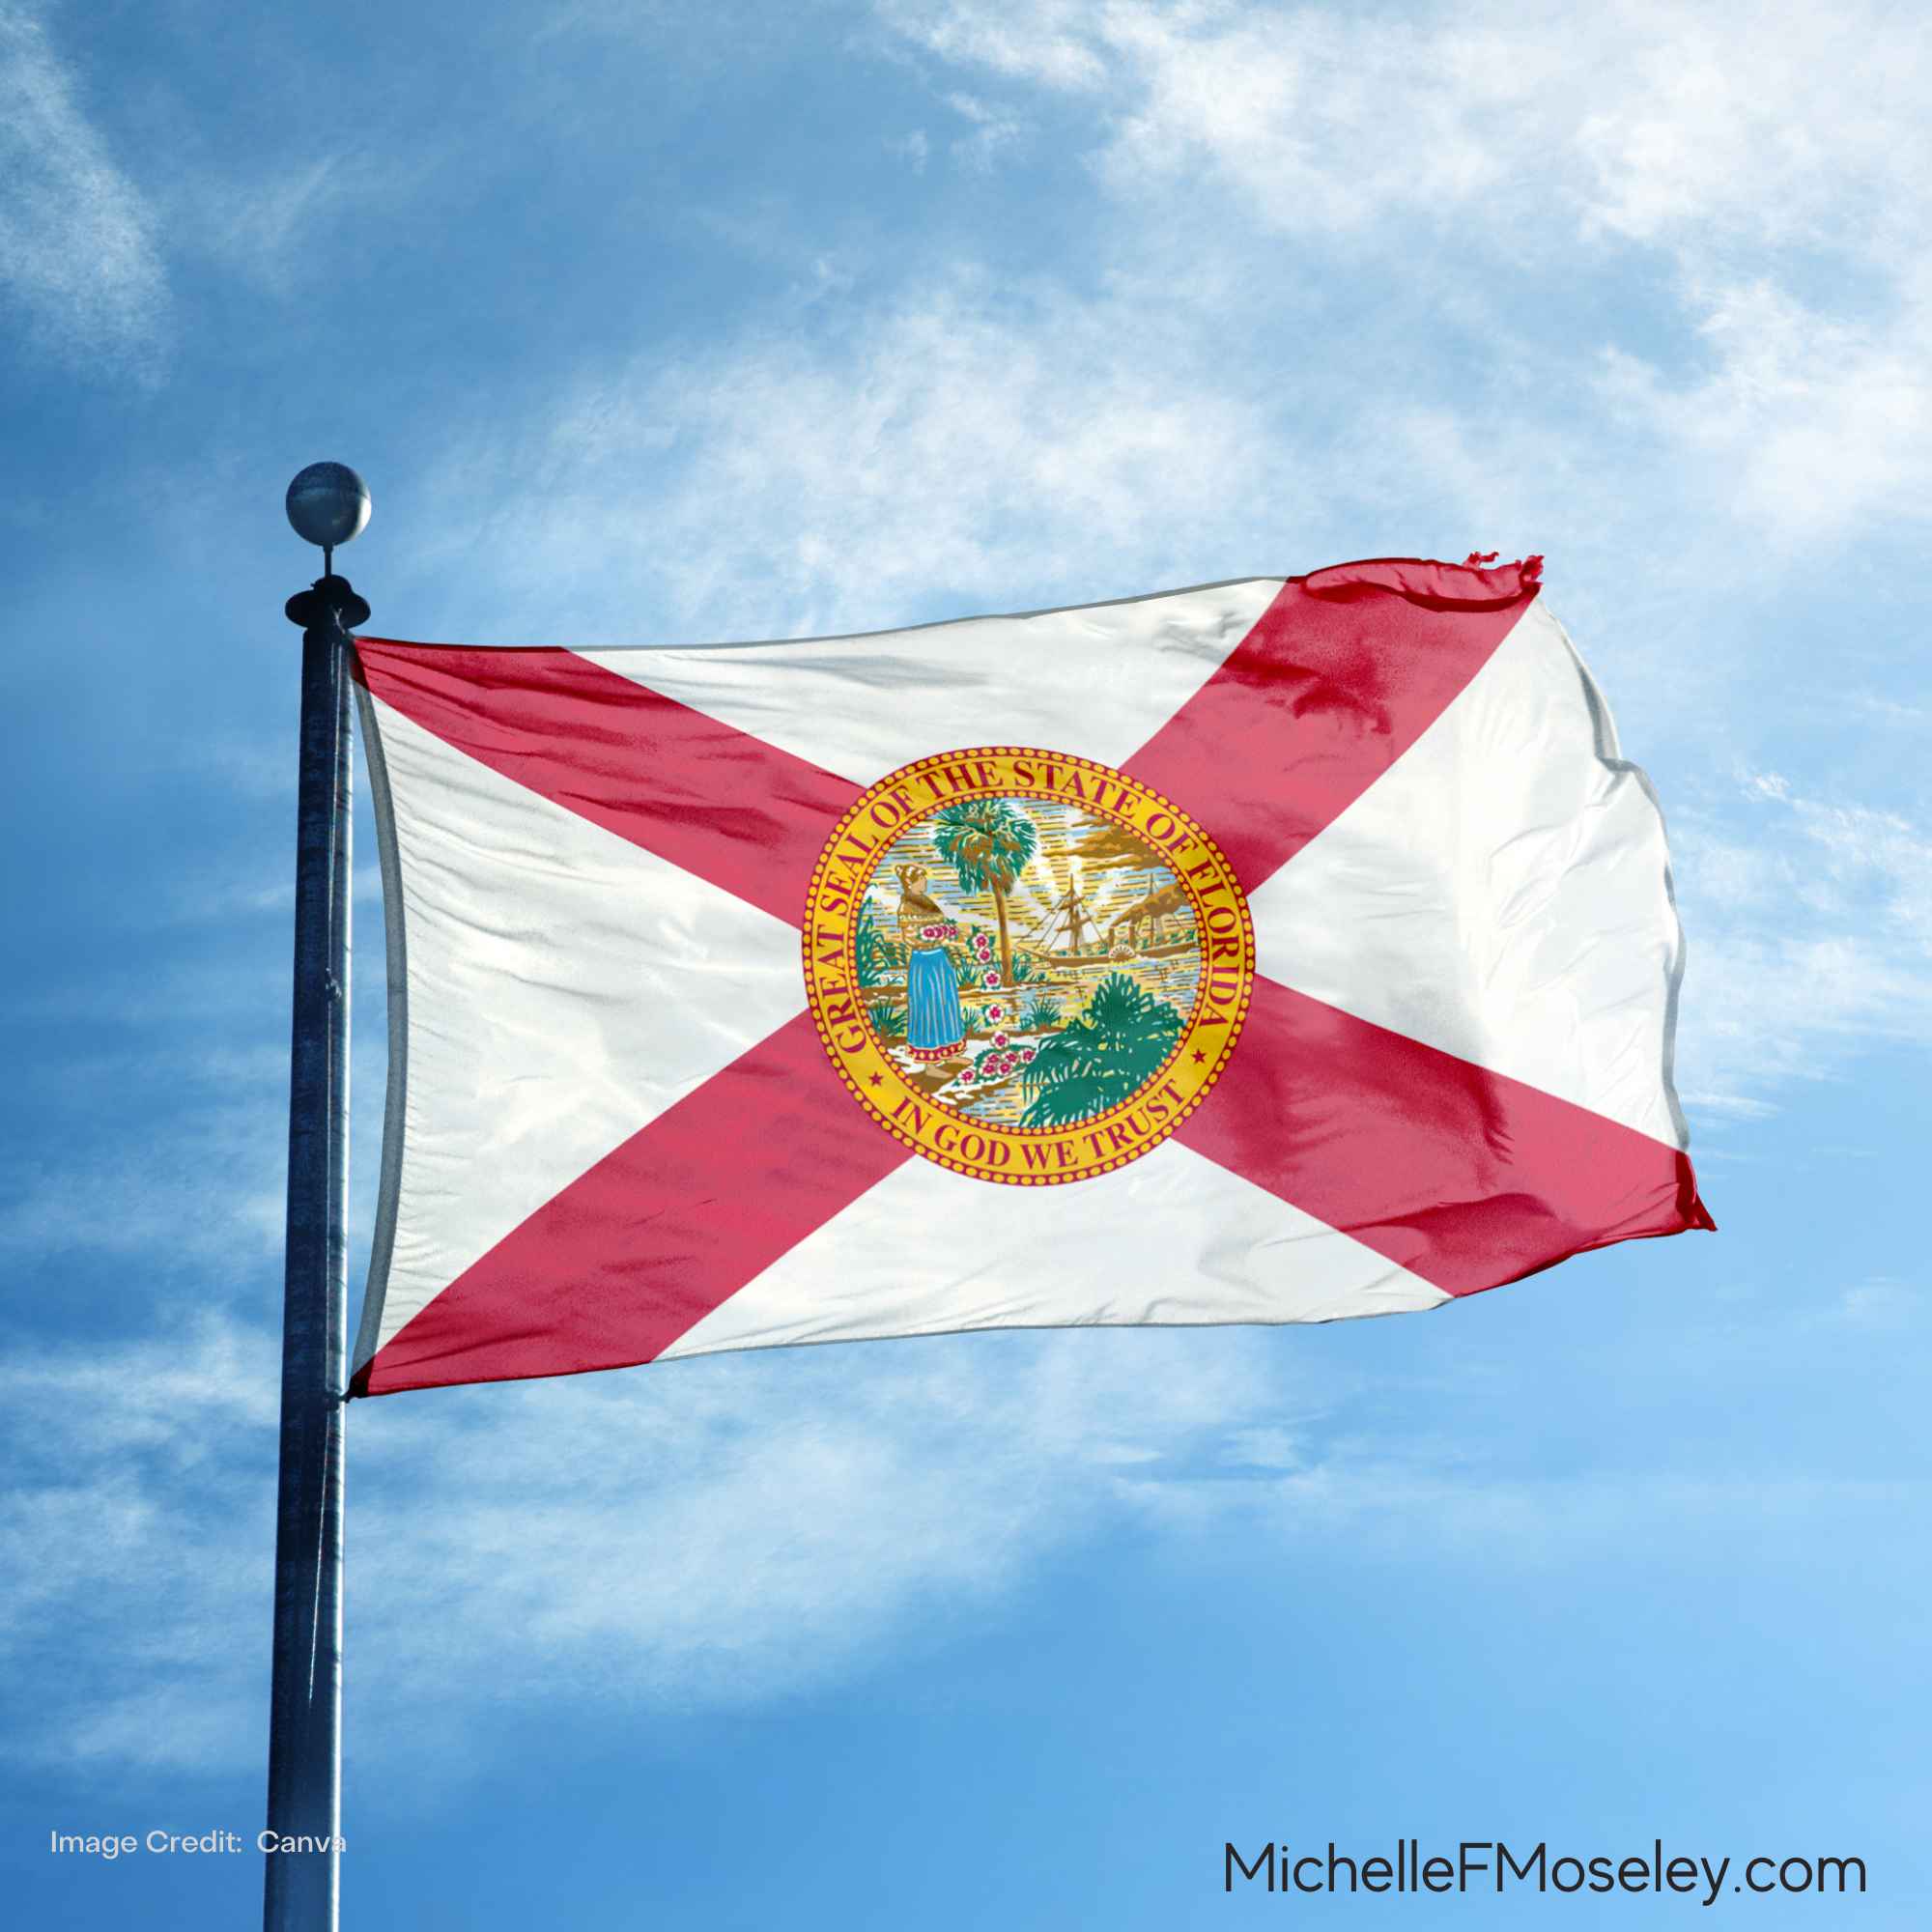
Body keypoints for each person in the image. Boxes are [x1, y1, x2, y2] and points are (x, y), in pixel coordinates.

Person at [895, 863, 966, 1060]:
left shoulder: (926, 901)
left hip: (939, 959)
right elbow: (909, 938)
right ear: (911, 883)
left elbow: (942, 925)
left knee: (946, 1003)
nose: (925, 881)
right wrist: (936, 939)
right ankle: (930, 1064)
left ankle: (951, 1052)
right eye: (921, 879)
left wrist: (951, 936)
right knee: (928, 1006)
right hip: (924, 962)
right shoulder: (906, 907)